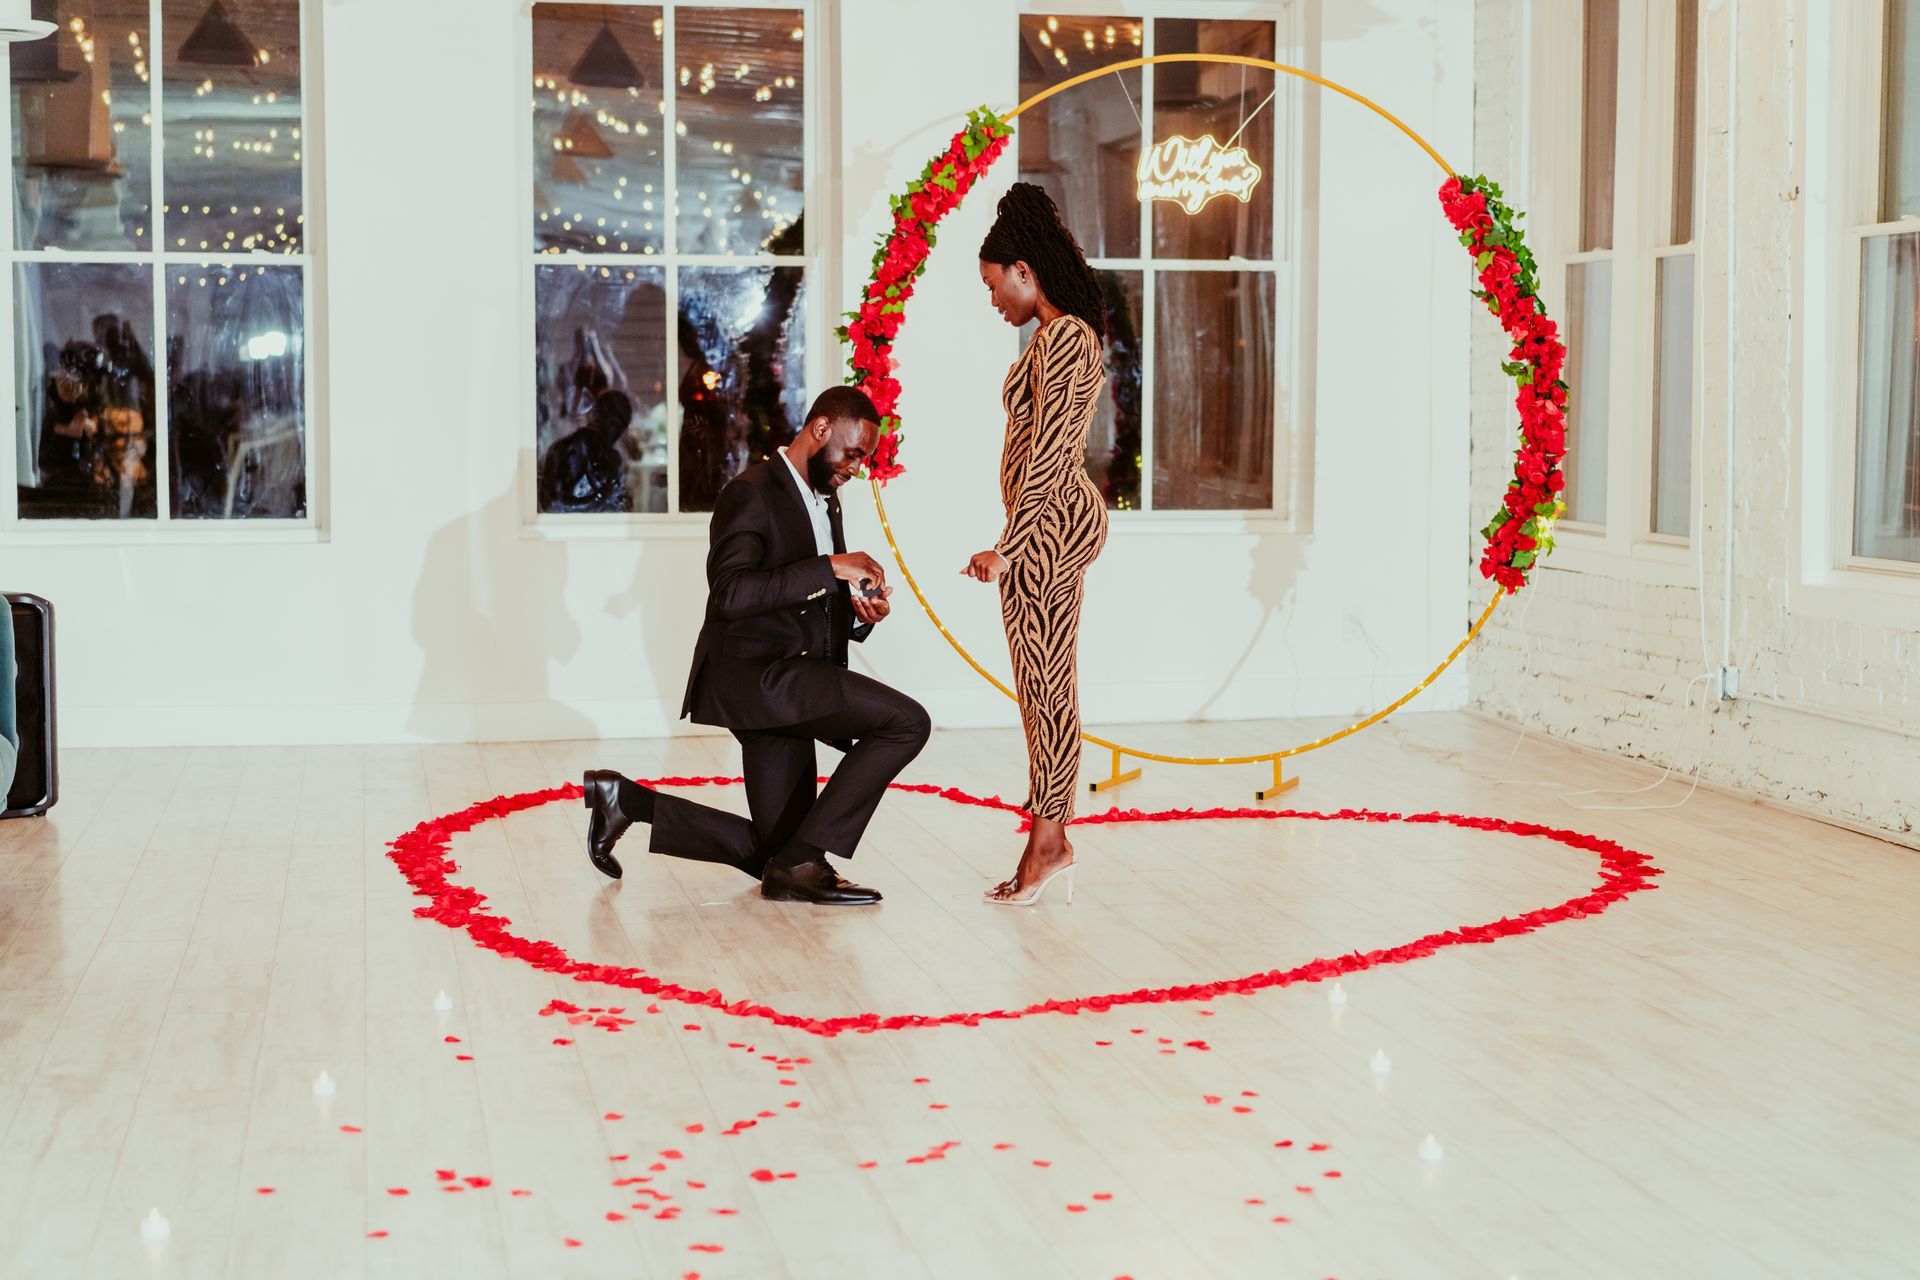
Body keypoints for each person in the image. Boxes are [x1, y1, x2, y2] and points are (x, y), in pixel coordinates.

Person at [581, 386, 931, 905]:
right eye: (853, 453)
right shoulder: (751, 491)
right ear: (820, 430)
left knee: (781, 853)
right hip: (758, 677)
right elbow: (731, 593)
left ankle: (626, 801)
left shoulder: (826, 499)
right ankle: (800, 863)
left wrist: (862, 616)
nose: (857, 467)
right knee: (908, 722)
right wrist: (832, 567)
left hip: (792, 681)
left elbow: (815, 595)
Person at [964, 183, 1110, 907]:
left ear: (1024, 270)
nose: (994, 302)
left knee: (1048, 686)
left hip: (1049, 528)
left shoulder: (1066, 339)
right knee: (1040, 686)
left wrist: (1010, 546)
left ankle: (1049, 843)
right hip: (1042, 527)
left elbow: (1051, 455)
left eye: (995, 286)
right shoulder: (1056, 338)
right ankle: (1047, 836)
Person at [539, 388, 634, 513]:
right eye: (615, 423)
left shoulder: (611, 458)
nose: (615, 430)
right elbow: (555, 502)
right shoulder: (575, 450)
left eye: (620, 425)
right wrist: (604, 495)